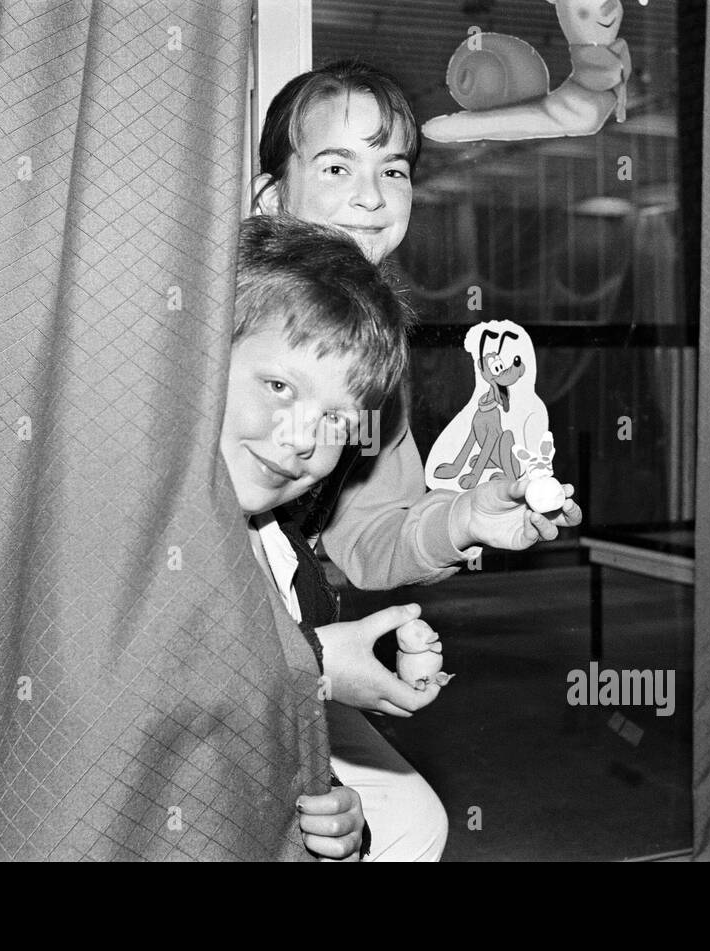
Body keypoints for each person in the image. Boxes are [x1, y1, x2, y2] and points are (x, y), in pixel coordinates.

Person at [248, 60, 584, 860]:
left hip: (287, 644)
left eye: (391, 169)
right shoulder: (230, 314)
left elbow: (365, 532)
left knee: (412, 821)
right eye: (336, 167)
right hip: (218, 655)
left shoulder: (375, 348)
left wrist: (465, 516)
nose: (372, 196)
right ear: (272, 197)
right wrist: (319, 666)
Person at [224, 215, 445, 861]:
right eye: (278, 386)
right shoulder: (128, 519)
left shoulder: (292, 569)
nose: (299, 437)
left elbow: (295, 760)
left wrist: (345, 822)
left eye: (336, 421)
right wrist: (314, 665)